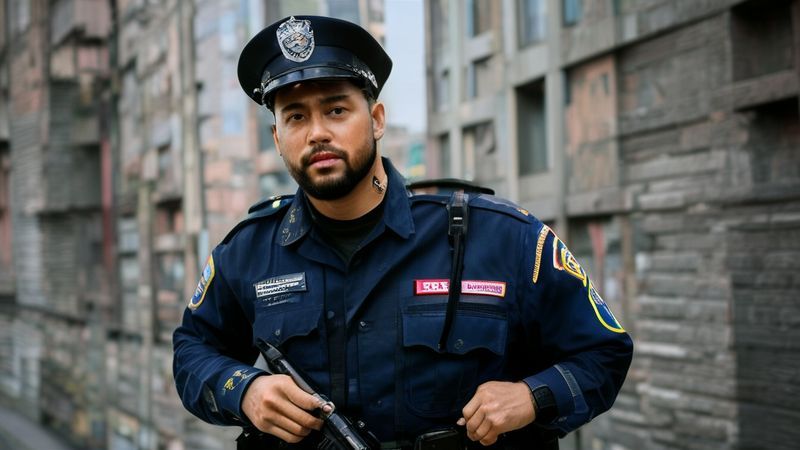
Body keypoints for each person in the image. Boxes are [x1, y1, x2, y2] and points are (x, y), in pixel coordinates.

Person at [173, 15, 633, 450]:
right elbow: (192, 351)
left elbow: (604, 354)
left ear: (375, 120)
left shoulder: (501, 237)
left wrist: (533, 397)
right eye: (295, 117)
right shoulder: (248, 252)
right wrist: (244, 390)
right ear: (277, 139)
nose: (316, 133)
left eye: (336, 110)